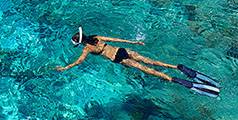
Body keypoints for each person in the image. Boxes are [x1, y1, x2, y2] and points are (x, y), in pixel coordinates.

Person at [55, 27, 220, 97]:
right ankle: (177, 67)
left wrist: (65, 67)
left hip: (118, 58)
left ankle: (173, 79)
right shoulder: (97, 37)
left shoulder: (87, 49)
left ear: (80, 42)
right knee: (153, 62)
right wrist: (135, 43)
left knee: (148, 70)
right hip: (122, 50)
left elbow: (79, 62)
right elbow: (116, 39)